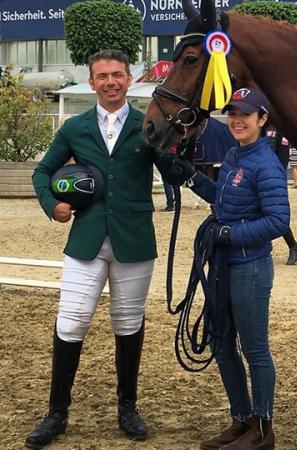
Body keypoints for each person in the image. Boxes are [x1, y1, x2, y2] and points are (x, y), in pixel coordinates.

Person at [28, 49, 180, 448]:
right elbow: (42, 171)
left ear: (129, 79)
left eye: (117, 75)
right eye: (102, 76)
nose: (110, 81)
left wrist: (182, 149)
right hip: (87, 239)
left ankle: (128, 407)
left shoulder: (147, 123)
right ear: (92, 82)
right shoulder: (75, 128)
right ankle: (57, 412)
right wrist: (52, 204)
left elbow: (173, 170)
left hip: (134, 239)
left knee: (127, 323)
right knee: (72, 320)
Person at [176, 87, 290, 450]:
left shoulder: (267, 164)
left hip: (250, 267)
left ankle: (263, 428)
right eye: (232, 113)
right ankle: (240, 420)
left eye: (245, 113)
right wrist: (190, 177)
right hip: (223, 265)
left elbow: (277, 220)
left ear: (261, 119)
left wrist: (231, 233)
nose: (237, 119)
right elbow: (222, 198)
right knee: (222, 342)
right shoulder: (232, 156)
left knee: (254, 349)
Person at [266, 125, 297, 265]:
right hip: (256, 174)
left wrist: (277, 177)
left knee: (276, 214)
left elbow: (283, 156)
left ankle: (293, 246)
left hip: (272, 176)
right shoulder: (258, 125)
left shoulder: (279, 128)